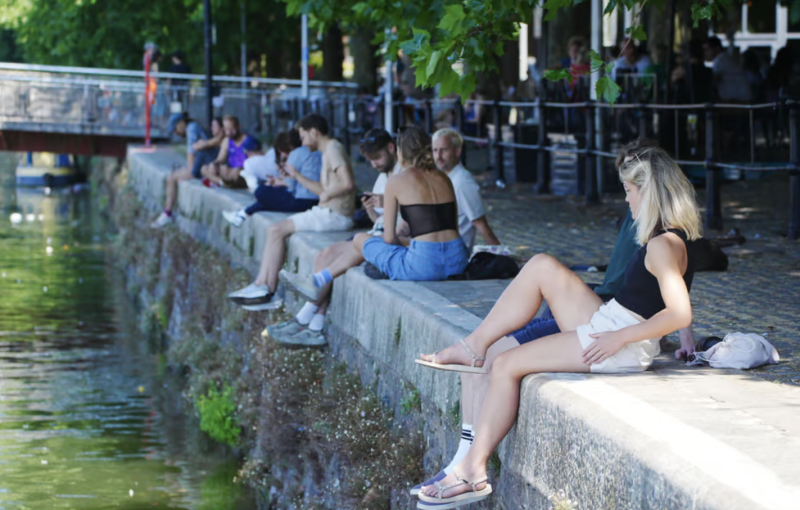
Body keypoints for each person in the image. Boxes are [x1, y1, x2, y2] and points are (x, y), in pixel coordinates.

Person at [407, 138, 697, 496]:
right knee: (542, 265)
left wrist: (620, 338)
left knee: (506, 365)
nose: (626, 199)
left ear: (648, 192)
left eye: (628, 190)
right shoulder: (669, 238)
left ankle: (472, 471)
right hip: (612, 321)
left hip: (618, 341)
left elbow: (680, 312)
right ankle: (474, 344)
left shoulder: (662, 245)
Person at [310, 125, 469, 288]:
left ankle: (320, 279)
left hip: (424, 267)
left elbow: (389, 239)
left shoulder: (396, 181)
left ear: (400, 152)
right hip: (458, 261)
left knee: (359, 239)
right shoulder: (444, 178)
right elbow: (453, 228)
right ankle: (322, 278)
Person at [282, 128, 405, 336]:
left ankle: (304, 317)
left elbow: (411, 212)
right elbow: (380, 220)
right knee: (324, 254)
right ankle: (315, 322)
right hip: (377, 230)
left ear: (391, 148)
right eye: (371, 159)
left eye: (378, 157)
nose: (375, 164)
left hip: (388, 236)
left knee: (343, 255)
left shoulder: (402, 175)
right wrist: (370, 210)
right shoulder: (384, 176)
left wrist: (388, 203)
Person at [227, 113, 355, 309]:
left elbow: (347, 183)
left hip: (335, 215)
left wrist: (328, 194)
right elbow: (322, 190)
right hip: (328, 211)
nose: (302, 141)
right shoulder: (328, 150)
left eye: (303, 136)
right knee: (275, 230)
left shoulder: (333, 149)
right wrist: (297, 175)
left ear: (314, 132)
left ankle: (265, 289)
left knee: (276, 230)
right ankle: (261, 286)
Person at [222, 129, 322, 227]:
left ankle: (242, 214)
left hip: (302, 201)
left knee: (261, 191)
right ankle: (242, 215)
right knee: (266, 200)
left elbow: (291, 185)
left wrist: (277, 181)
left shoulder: (297, 153)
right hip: (314, 200)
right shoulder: (317, 152)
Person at [151, 114, 223, 228]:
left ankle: (167, 213)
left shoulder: (191, 128)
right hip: (205, 162)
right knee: (173, 177)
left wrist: (182, 173)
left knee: (172, 177)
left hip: (206, 163)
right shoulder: (193, 127)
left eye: (175, 128)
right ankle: (167, 213)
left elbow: (191, 162)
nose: (176, 132)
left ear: (181, 123)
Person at [432, 128, 500, 249]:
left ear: (457, 151)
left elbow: (480, 224)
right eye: (435, 150)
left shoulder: (462, 181)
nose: (438, 156)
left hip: (451, 254)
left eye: (444, 150)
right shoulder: (444, 178)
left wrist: (504, 254)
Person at [201, 115, 261, 187]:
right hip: (230, 171)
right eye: (227, 130)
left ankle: (221, 182)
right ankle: (221, 182)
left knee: (235, 172)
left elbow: (256, 161)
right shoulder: (227, 141)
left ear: (238, 127)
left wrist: (239, 168)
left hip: (242, 172)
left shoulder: (248, 140)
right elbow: (220, 159)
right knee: (204, 168)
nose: (229, 133)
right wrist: (214, 164)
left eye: (232, 129)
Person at [703, 37, 751, 102]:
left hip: (737, 99)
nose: (705, 53)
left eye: (707, 49)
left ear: (717, 48)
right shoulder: (725, 57)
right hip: (741, 96)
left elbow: (714, 81)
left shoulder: (720, 60)